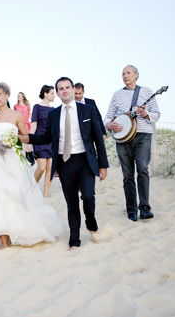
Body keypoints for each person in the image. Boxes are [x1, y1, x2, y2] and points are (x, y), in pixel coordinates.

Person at [0, 82, 63, 248]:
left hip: (12, 158)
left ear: (7, 95)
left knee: (15, 195)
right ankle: (3, 240)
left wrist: (12, 140)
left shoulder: (16, 115)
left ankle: (19, 230)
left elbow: (25, 136)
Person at [26, 77, 108, 250]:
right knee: (72, 203)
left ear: (72, 89)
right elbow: (45, 137)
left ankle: (91, 224)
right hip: (64, 162)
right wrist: (25, 138)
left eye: (67, 87)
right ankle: (74, 240)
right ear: (57, 93)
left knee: (87, 196)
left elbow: (98, 139)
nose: (65, 91)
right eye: (61, 88)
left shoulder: (88, 110)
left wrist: (103, 165)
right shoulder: (53, 114)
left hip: (85, 160)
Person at [104, 65, 161, 222]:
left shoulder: (147, 92)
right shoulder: (117, 95)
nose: (125, 75)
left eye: (128, 73)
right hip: (123, 139)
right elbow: (108, 117)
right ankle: (131, 209)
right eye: (123, 73)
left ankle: (144, 207)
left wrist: (145, 113)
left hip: (143, 135)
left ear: (136, 75)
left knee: (142, 168)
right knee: (127, 174)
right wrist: (110, 125)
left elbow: (157, 114)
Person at [30, 85, 55, 197]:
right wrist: (30, 141)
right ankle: (31, 188)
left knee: (50, 168)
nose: (54, 96)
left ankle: (45, 194)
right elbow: (33, 125)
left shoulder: (53, 110)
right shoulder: (37, 107)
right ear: (45, 94)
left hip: (51, 142)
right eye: (52, 93)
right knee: (41, 167)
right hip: (39, 141)